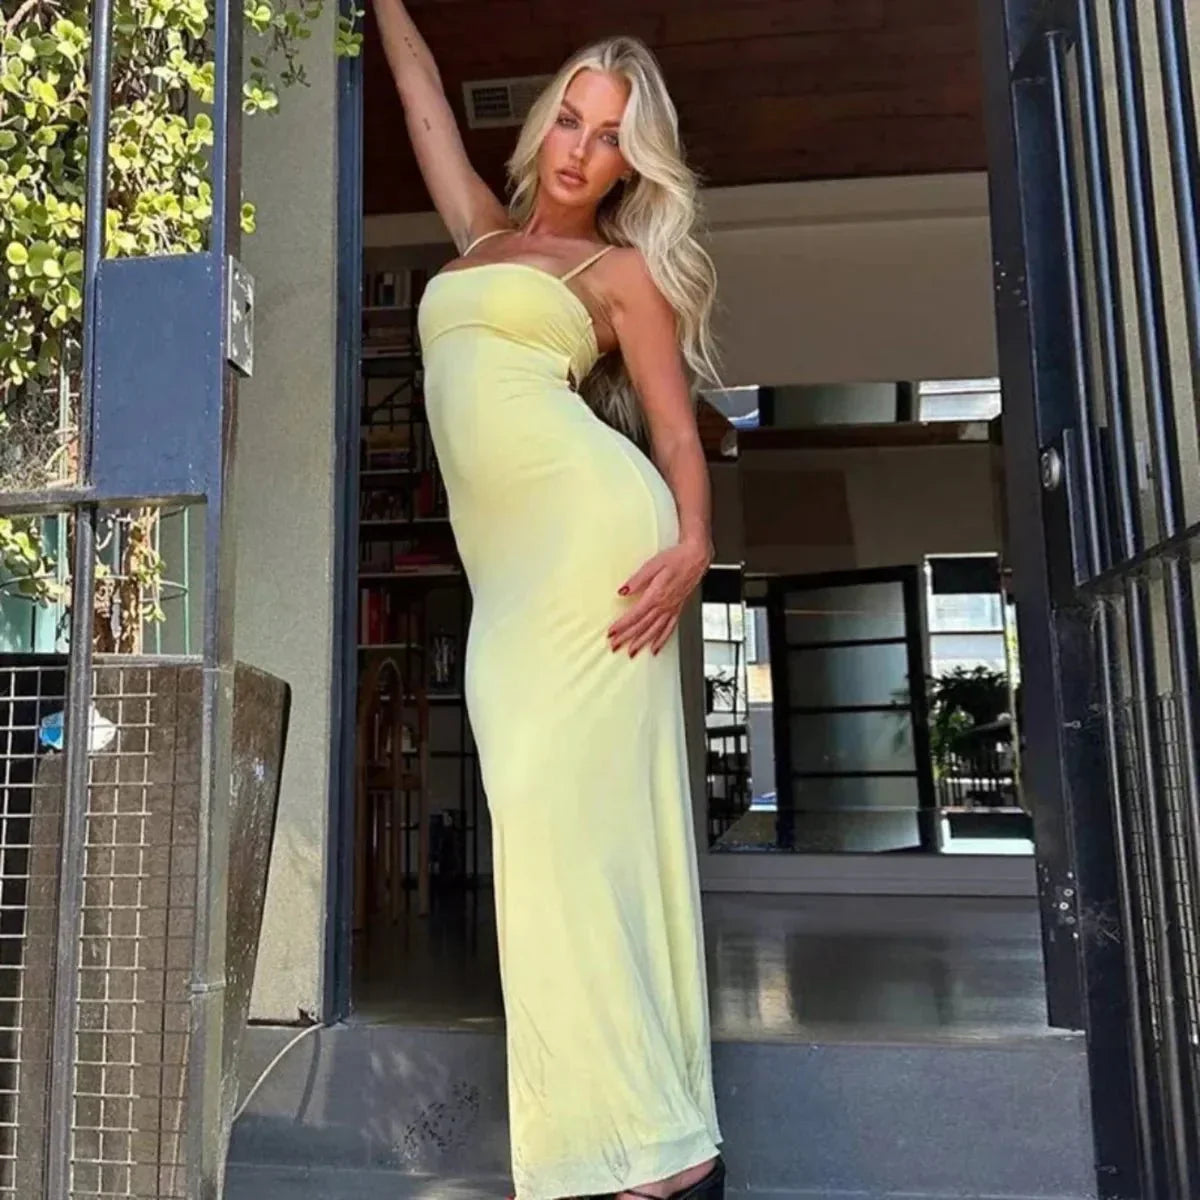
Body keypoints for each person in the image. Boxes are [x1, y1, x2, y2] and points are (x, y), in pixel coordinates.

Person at [372, 5, 725, 1199]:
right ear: (543, 126)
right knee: (539, 833)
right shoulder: (480, 234)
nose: (581, 149)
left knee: (574, 836)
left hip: (595, 556)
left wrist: (696, 542)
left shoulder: (619, 274)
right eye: (571, 120)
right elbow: (421, 97)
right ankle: (629, 1138)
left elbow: (678, 434)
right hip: (509, 587)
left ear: (633, 163)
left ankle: (651, 1153)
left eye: (610, 137)